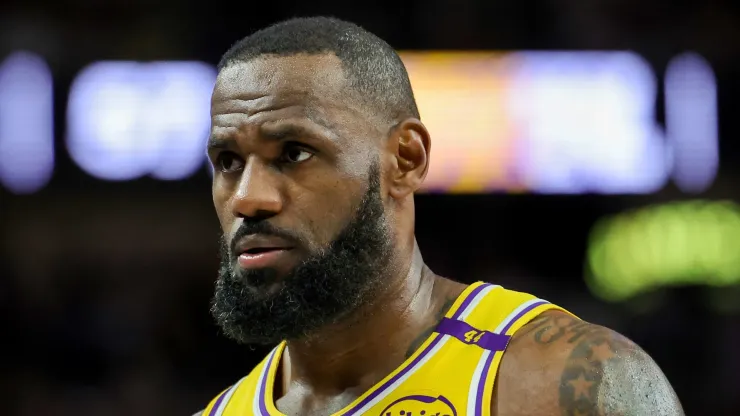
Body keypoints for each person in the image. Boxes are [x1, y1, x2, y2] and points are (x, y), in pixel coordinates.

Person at [196, 16, 683, 416]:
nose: (248, 198)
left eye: (295, 153)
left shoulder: (565, 382)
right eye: (229, 163)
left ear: (404, 160)